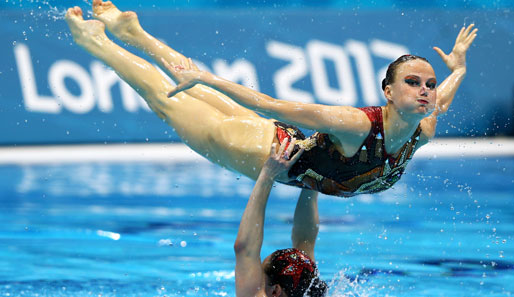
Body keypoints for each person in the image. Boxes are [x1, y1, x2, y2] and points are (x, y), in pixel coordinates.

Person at [65, 1, 477, 197]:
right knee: (168, 100)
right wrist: (213, 78)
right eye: (413, 82)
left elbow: (443, 98)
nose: (425, 90)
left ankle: (137, 36)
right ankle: (96, 41)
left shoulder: (424, 127)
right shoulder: (356, 124)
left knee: (197, 89)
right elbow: (273, 105)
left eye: (429, 83)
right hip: (262, 151)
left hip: (280, 140)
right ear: (387, 92)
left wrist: (458, 67)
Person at [234, 138, 327, 296]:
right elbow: (304, 239)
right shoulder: (306, 290)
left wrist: (269, 174)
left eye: (259, 277)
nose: (255, 279)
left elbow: (244, 249)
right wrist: (315, 178)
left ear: (275, 291)